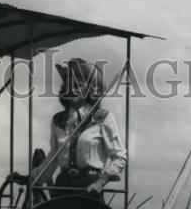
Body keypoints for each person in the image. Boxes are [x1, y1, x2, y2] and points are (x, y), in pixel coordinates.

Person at [36, 58, 126, 200]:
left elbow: (120, 157)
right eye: (68, 86)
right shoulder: (57, 120)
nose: (72, 89)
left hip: (90, 188)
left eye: (78, 85)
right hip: (62, 188)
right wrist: (32, 179)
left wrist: (101, 182)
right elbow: (53, 159)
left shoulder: (103, 118)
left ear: (90, 89)